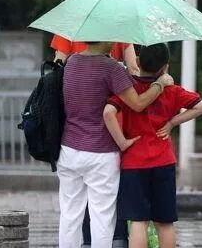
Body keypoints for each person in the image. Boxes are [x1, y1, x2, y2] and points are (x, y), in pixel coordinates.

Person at [57, 41, 173, 248]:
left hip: (69, 150)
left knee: (69, 215)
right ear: (106, 38)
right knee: (101, 217)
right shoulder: (111, 68)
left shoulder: (72, 62)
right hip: (100, 153)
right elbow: (137, 103)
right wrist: (160, 84)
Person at [103, 43, 202, 248]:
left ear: (138, 62)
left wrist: (122, 143)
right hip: (164, 161)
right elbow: (201, 106)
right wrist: (171, 123)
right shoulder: (172, 91)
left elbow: (108, 112)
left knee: (138, 222)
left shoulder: (128, 89)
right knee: (165, 222)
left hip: (133, 162)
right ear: (165, 67)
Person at [52, 0, 138, 74]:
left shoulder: (68, 19)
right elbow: (133, 68)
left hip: (77, 89)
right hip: (113, 88)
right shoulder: (118, 16)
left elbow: (59, 63)